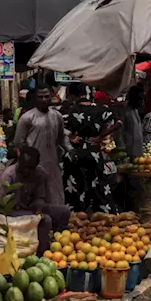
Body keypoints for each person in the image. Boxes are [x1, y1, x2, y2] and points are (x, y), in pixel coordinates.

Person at [61, 84, 122, 213]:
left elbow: (64, 134)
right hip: (94, 151)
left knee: (75, 185)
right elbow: (118, 123)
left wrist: (73, 137)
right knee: (98, 184)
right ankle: (105, 212)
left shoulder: (71, 111)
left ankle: (76, 214)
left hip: (75, 153)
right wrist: (100, 137)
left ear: (72, 95)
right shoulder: (101, 109)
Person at [0, 146, 70, 254]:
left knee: (64, 212)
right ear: (19, 162)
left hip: (31, 208)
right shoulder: (9, 176)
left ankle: (58, 243)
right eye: (24, 167)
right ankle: (41, 253)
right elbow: (0, 203)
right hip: (13, 211)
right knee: (45, 220)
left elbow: (40, 196)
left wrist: (38, 207)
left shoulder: (40, 173)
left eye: (31, 168)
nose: (27, 171)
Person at [14, 82, 73, 206]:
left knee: (56, 196)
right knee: (37, 197)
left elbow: (62, 138)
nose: (44, 99)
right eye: (40, 97)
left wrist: (70, 149)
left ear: (51, 96)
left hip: (53, 163)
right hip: (34, 166)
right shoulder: (27, 118)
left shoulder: (57, 116)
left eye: (46, 96)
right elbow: (19, 142)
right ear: (35, 99)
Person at [121, 86, 144, 160]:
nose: (142, 102)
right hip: (128, 152)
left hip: (138, 151)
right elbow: (120, 134)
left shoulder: (135, 111)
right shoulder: (125, 112)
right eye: (140, 99)